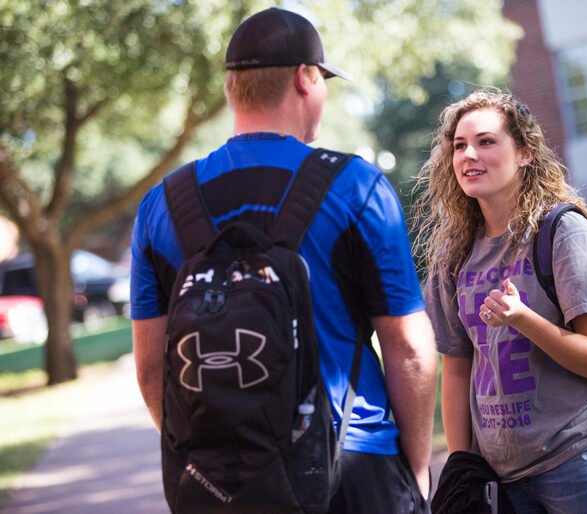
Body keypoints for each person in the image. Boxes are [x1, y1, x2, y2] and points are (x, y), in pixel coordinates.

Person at [130, 7, 436, 513]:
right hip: (353, 463)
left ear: (232, 88)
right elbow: (408, 346)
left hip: (222, 483)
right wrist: (416, 472)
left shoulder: (161, 205)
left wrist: (213, 458)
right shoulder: (355, 187)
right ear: (304, 78)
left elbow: (149, 370)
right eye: (324, 80)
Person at [412, 90, 587, 513]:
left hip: (582, 460)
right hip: (502, 477)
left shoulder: (565, 234)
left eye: (485, 141)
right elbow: (458, 368)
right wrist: (463, 468)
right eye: (459, 145)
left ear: (525, 153)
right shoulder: (454, 254)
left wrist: (523, 318)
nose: (468, 154)